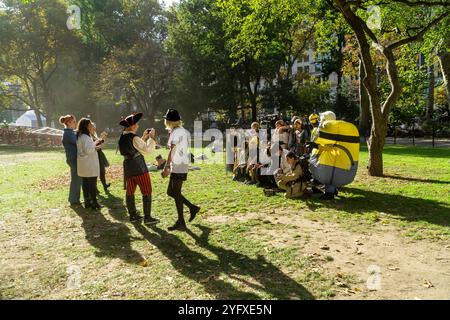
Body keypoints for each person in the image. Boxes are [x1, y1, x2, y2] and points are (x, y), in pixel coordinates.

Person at [161, 109, 200, 231]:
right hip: (180, 164)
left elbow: (172, 150)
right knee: (171, 192)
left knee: (175, 192)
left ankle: (181, 221)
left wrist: (166, 166)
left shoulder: (177, 132)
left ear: (169, 121)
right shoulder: (180, 131)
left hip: (179, 165)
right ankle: (192, 208)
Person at [118, 112, 159, 225]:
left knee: (130, 191)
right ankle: (147, 218)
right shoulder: (134, 137)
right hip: (138, 167)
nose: (138, 126)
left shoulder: (123, 135)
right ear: (132, 126)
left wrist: (143, 137)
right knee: (146, 190)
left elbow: (133, 147)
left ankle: (133, 215)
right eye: (136, 124)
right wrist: (151, 138)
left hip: (128, 167)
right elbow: (147, 150)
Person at [76, 118, 102, 210]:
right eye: (91, 125)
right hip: (89, 164)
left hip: (84, 164)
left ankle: (87, 202)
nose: (92, 127)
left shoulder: (80, 136)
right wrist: (97, 144)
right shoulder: (86, 137)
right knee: (92, 184)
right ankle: (94, 202)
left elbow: (87, 149)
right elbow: (89, 150)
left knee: (86, 184)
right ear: (87, 126)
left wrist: (96, 145)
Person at [60, 114, 82, 206]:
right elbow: (77, 142)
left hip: (74, 158)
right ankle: (73, 200)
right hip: (73, 159)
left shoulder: (70, 132)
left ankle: (74, 199)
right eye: (73, 122)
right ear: (68, 123)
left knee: (77, 179)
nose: (75, 123)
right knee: (76, 179)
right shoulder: (68, 133)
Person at [92, 123, 111, 193]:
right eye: (92, 127)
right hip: (95, 156)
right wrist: (102, 139)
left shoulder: (94, 135)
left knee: (102, 172)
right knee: (96, 173)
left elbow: (101, 144)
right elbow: (95, 146)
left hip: (99, 155)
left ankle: (104, 186)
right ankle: (95, 188)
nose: (94, 128)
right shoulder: (89, 136)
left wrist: (103, 138)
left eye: (94, 127)